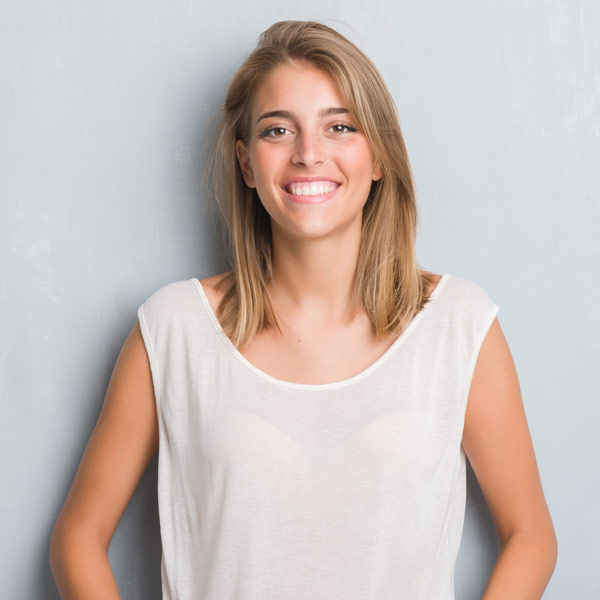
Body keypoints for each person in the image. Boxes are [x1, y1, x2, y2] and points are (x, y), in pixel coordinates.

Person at [49, 19, 557, 600]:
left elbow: (531, 535)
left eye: (339, 126)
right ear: (246, 164)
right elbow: (78, 536)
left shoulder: (459, 326)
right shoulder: (172, 330)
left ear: (380, 157)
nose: (309, 154)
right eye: (277, 131)